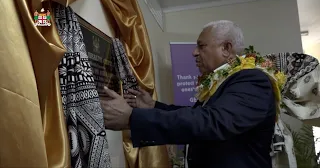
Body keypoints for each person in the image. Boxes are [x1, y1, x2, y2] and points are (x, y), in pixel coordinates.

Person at [101, 20, 276, 168]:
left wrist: (133, 118)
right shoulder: (222, 81)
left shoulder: (252, 80)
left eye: (201, 46)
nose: (194, 52)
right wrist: (152, 106)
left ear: (226, 48)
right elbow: (198, 115)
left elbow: (211, 121)